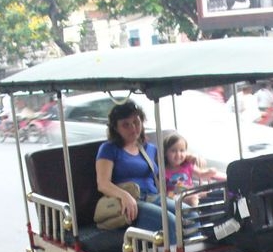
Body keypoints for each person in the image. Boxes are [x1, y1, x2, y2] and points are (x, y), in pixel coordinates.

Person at [96, 100, 181, 244]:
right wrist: (125, 196)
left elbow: (171, 164)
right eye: (126, 125)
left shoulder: (149, 148)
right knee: (170, 224)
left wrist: (191, 159)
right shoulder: (109, 149)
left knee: (189, 215)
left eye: (136, 122)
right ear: (116, 128)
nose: (133, 128)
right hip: (131, 202)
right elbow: (103, 183)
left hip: (154, 197)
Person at [163, 133, 226, 207]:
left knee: (211, 193)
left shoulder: (187, 165)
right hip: (173, 195)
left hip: (190, 192)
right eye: (173, 151)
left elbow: (201, 174)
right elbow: (164, 192)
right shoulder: (163, 171)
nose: (178, 154)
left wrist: (211, 171)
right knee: (192, 198)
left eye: (182, 150)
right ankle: (196, 215)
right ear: (165, 153)